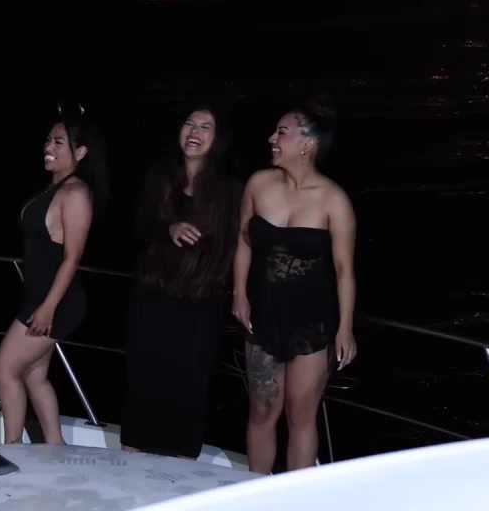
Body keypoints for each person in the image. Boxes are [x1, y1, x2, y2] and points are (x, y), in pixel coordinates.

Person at [232, 97, 357, 473]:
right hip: (263, 316)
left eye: (281, 132)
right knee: (261, 410)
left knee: (301, 415)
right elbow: (243, 242)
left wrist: (346, 328)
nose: (272, 139)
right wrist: (239, 293)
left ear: (307, 143)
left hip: (312, 323)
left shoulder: (334, 200)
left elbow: (344, 269)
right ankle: (256, 489)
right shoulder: (259, 183)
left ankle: (297, 496)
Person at [121, 102, 242, 459]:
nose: (194, 132)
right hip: (152, 294)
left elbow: (239, 243)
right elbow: (136, 225)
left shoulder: (230, 189)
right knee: (142, 379)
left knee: (189, 385)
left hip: (201, 300)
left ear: (218, 138)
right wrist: (168, 228)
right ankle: (130, 460)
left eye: (205, 127)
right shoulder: (161, 176)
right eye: (190, 124)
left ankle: (184, 469)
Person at [0, 107, 107, 445]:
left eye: (59, 142)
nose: (48, 147)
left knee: (3, 368)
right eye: (48, 140)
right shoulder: (54, 188)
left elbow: (72, 258)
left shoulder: (75, 194)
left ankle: (13, 448)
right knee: (34, 375)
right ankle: (55, 447)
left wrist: (47, 308)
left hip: (57, 301)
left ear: (80, 152)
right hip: (39, 296)